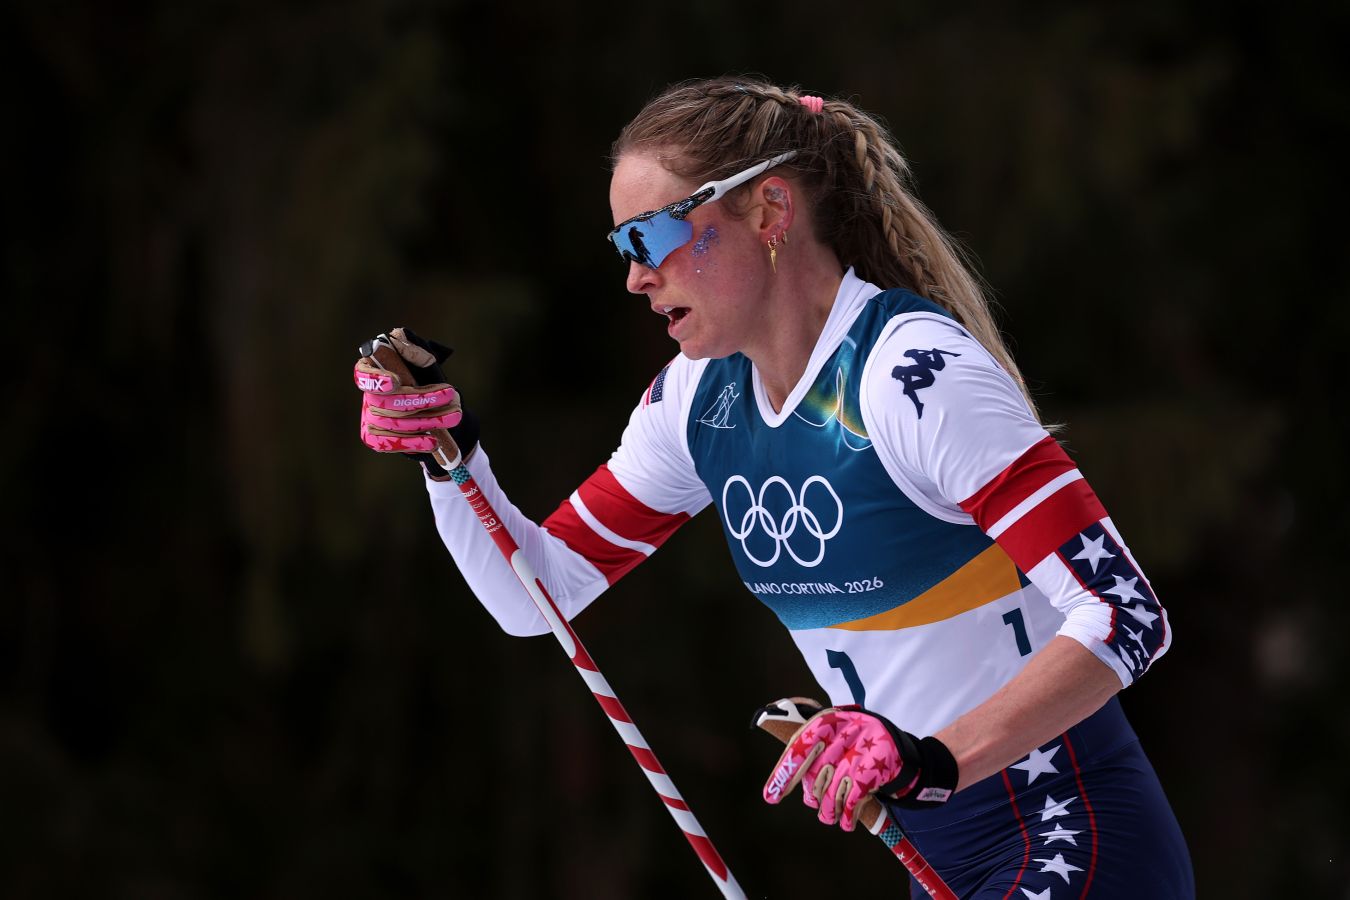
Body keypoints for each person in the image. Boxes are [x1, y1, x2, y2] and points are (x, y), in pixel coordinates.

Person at [355, 77, 1194, 898]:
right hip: (937, 858)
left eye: (651, 236)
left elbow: (1126, 614)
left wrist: (930, 762)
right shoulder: (698, 402)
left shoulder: (911, 375)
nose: (636, 277)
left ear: (768, 211)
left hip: (1067, 832)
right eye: (622, 248)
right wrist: (451, 458)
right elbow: (535, 595)